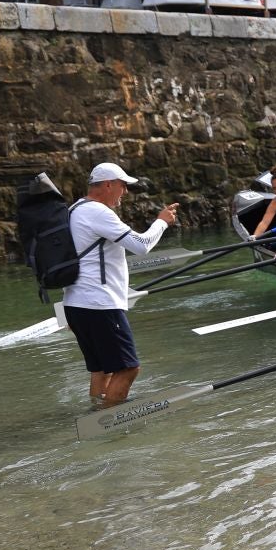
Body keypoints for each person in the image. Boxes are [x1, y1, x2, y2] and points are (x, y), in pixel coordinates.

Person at [62, 161, 178, 405]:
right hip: (100, 304)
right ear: (108, 185)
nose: (125, 192)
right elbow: (141, 245)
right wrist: (162, 222)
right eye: (123, 186)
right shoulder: (98, 212)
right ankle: (108, 426)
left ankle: (95, 417)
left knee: (101, 369)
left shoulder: (74, 209)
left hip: (75, 304)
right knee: (128, 369)